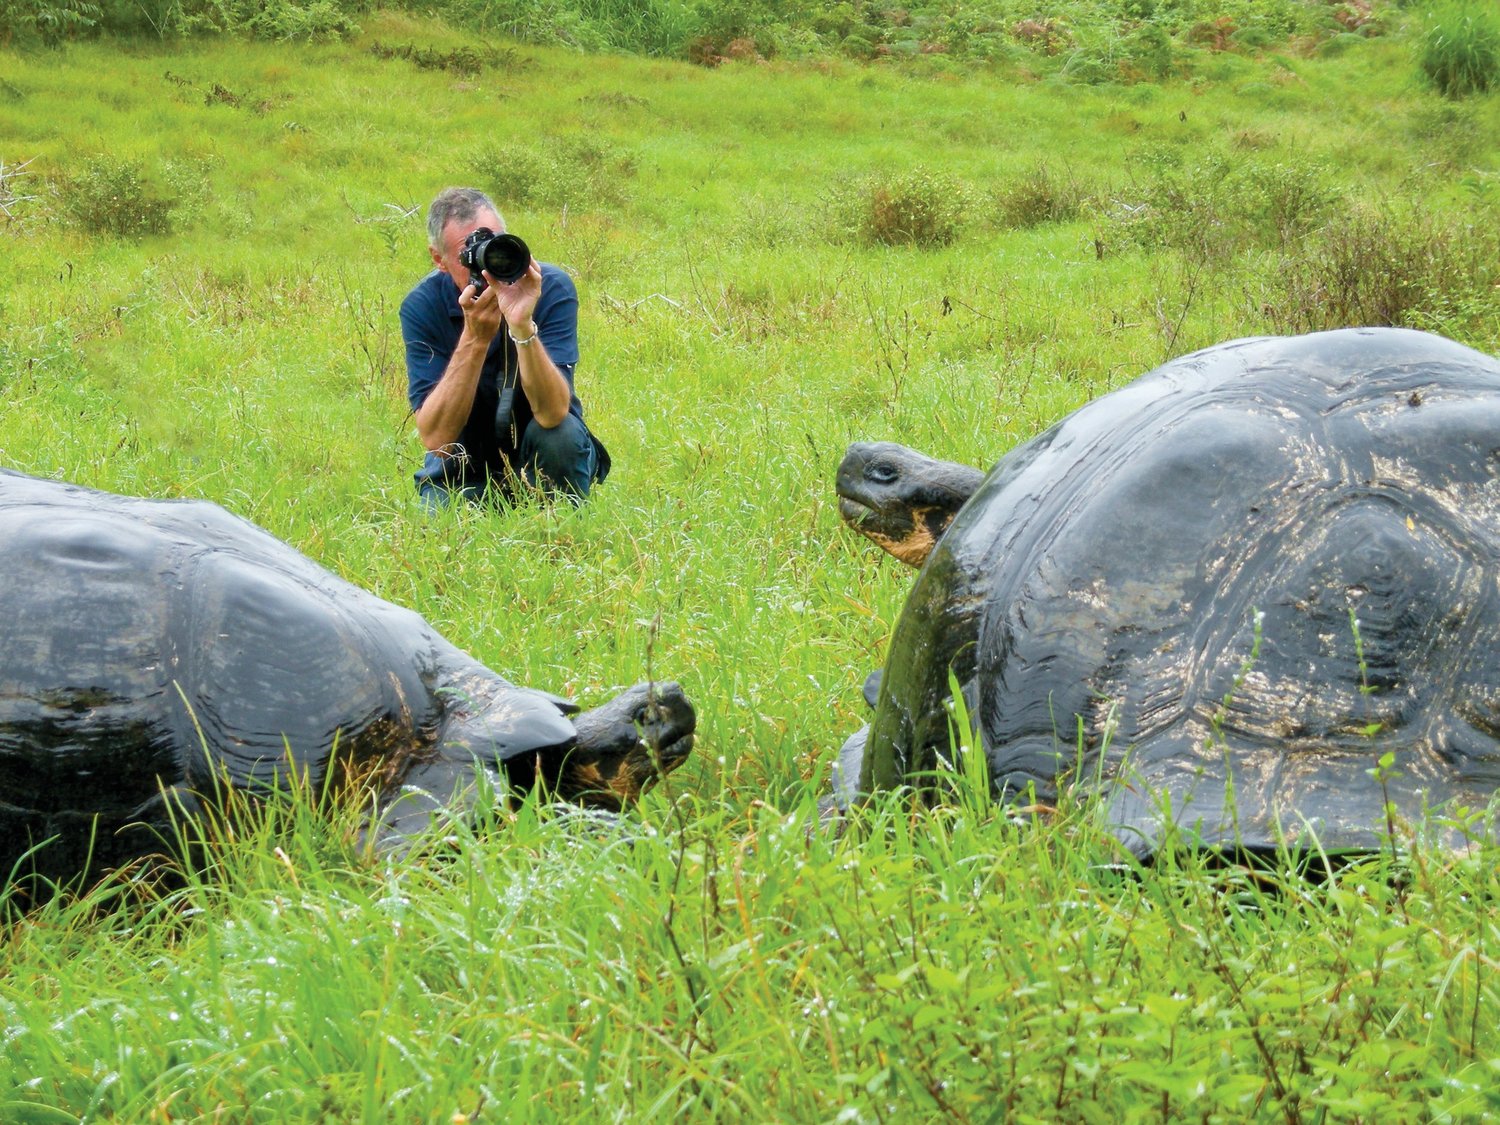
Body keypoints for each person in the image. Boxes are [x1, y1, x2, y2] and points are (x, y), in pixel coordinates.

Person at [400, 187, 609, 508]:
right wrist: (474, 338)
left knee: (561, 436)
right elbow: (436, 440)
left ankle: (562, 522)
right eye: (470, 253)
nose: (489, 264)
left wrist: (523, 325)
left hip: (542, 452)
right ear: (439, 259)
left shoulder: (549, 287)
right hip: (465, 465)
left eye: (494, 243)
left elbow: (554, 413)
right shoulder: (422, 306)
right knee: (439, 530)